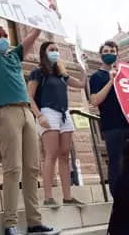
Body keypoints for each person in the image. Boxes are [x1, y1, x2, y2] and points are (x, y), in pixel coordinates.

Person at [0, 0, 58, 235]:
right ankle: (10, 223)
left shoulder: (14, 55)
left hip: (26, 114)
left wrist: (46, 10)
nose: (1, 37)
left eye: (4, 35)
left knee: (32, 169)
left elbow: (35, 32)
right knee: (12, 169)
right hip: (4, 113)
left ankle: (34, 223)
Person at [28, 41, 86, 207]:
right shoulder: (37, 73)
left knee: (65, 155)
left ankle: (67, 197)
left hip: (64, 114)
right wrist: (39, 115)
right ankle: (48, 197)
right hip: (48, 112)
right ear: (44, 53)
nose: (55, 52)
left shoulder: (61, 74)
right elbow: (29, 96)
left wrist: (82, 68)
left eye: (57, 50)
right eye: (51, 49)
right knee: (51, 154)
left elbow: (81, 85)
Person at [88, 40, 129, 196]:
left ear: (117, 54)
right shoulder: (96, 77)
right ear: (101, 55)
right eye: (106, 51)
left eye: (112, 51)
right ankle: (118, 197)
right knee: (116, 163)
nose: (109, 54)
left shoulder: (125, 75)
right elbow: (94, 101)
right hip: (112, 126)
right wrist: (111, 82)